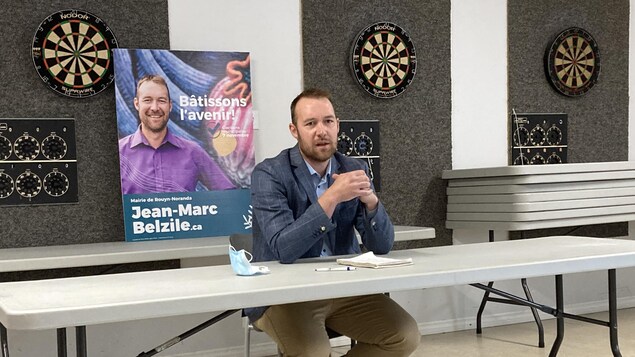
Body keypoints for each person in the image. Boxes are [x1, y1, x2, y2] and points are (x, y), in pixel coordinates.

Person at [247, 88, 420, 356]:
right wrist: (331, 198)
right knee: (313, 351)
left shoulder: (352, 168)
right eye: (310, 123)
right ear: (294, 130)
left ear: (337, 125)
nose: (321, 131)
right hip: (285, 293)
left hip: (343, 286)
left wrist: (371, 202)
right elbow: (284, 249)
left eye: (328, 121)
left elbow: (382, 246)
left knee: (404, 335)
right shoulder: (269, 174)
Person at [118, 75, 235, 194]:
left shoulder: (192, 151)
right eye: (147, 100)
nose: (155, 107)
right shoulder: (119, 153)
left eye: (161, 100)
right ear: (137, 104)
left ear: (170, 105)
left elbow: (229, 195)